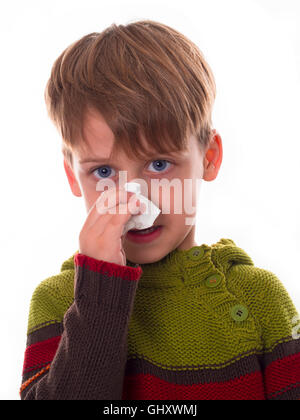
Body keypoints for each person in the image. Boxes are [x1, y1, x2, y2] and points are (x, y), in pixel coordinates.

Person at [20, 20, 300, 400]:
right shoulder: (59, 303)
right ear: (73, 177)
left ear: (209, 158)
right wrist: (100, 293)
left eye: (159, 164)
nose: (136, 201)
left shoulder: (259, 298)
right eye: (104, 172)